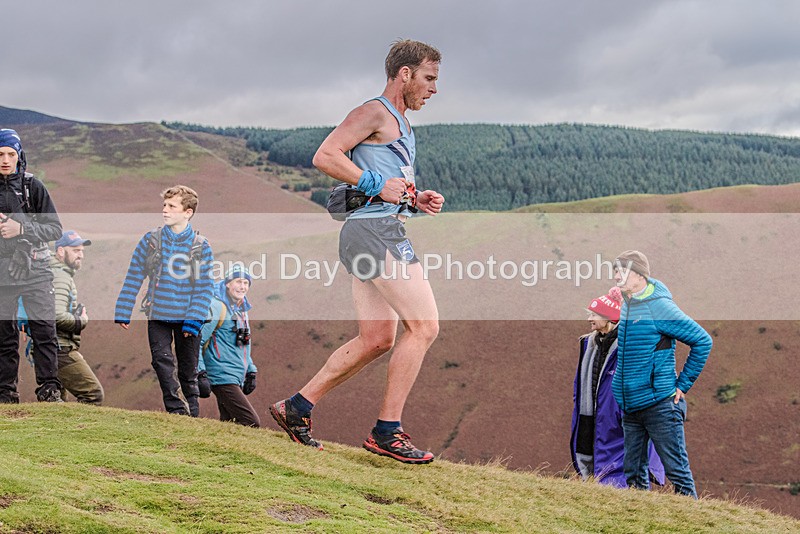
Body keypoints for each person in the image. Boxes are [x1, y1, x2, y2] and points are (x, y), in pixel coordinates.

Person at [270, 39, 445, 464]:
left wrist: (412, 199)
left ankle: (297, 407)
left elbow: (387, 181)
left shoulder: (401, 123)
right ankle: (388, 431)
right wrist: (374, 185)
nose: (433, 89)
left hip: (373, 228)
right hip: (374, 233)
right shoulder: (373, 112)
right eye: (428, 79)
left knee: (377, 338)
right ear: (404, 74)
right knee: (424, 328)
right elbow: (325, 154)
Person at [612, 250, 712, 498]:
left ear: (638, 275)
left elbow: (702, 340)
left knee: (677, 472)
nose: (616, 276)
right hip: (631, 405)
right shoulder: (628, 304)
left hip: (660, 405)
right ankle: (640, 521)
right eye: (614, 271)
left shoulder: (660, 306)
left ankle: (695, 523)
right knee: (633, 472)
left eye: (621, 271)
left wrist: (683, 384)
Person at [114, 185, 214, 416]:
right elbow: (134, 275)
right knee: (162, 362)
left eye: (171, 206)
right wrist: (123, 309)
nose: (165, 211)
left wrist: (193, 320)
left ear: (187, 212)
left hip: (189, 318)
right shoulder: (150, 241)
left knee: (188, 370)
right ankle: (176, 410)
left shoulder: (201, 246)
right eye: (164, 205)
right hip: (157, 314)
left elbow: (204, 287)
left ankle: (193, 414)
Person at [571, 287, 664, 487]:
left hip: (620, 419)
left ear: (610, 317)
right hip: (592, 417)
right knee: (593, 463)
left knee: (621, 467)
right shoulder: (589, 344)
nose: (589, 318)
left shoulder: (631, 344)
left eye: (594, 314)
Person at [0, 128, 64, 403]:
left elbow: (54, 229)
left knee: (44, 331)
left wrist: (21, 229)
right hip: (3, 273)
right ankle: (5, 392)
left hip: (37, 271)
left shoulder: (32, 187)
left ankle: (50, 389)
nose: (5, 159)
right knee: (4, 335)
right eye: (0, 154)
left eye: (10, 154)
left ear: (19, 155)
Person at [20, 231, 104, 404]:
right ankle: (80, 430)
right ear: (60, 251)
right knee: (93, 394)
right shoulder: (59, 276)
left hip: (49, 347)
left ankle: (60, 430)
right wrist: (80, 321)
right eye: (75, 250)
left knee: (56, 405)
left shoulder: (51, 271)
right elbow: (55, 315)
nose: (80, 255)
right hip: (59, 347)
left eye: (81, 250)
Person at [197, 266, 260, 427]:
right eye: (238, 281)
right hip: (221, 375)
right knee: (250, 421)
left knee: (230, 423)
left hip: (236, 375)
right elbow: (198, 342)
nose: (242, 286)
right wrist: (201, 373)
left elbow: (243, 344)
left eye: (246, 283)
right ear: (227, 283)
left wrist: (251, 371)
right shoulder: (216, 307)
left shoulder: (241, 311)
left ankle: (221, 451)